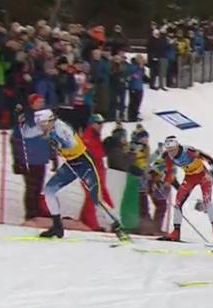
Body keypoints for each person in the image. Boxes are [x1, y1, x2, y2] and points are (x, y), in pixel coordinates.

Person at [32, 109, 129, 241]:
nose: (41, 127)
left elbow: (70, 144)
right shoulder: (52, 128)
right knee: (49, 190)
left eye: (42, 124)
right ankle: (57, 226)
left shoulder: (62, 129)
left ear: (50, 121)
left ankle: (118, 228)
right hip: (72, 163)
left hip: (83, 163)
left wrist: (53, 140)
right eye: (39, 124)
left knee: (96, 198)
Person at [160, 135, 213, 242]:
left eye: (173, 150)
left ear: (177, 146)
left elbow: (207, 158)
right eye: (169, 150)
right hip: (189, 177)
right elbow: (169, 172)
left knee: (207, 201)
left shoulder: (187, 151)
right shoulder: (167, 156)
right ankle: (176, 232)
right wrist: (166, 182)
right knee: (178, 203)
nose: (171, 153)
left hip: (203, 176)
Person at [11, 94, 53, 221]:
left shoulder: (45, 117)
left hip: (41, 157)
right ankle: (31, 212)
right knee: (31, 187)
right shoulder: (26, 117)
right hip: (29, 158)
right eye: (38, 101)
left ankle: (36, 209)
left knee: (38, 186)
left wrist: (52, 155)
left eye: (42, 101)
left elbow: (49, 137)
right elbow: (18, 138)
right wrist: (18, 159)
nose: (41, 104)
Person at [79, 113, 114, 230]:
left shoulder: (95, 135)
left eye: (102, 123)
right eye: (98, 123)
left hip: (97, 170)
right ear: (92, 124)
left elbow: (99, 153)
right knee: (91, 196)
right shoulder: (88, 137)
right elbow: (93, 154)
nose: (101, 126)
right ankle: (91, 223)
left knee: (96, 195)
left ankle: (85, 219)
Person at [126, 55, 146, 122]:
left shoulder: (141, 68)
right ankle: (131, 117)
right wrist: (133, 75)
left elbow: (142, 76)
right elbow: (130, 74)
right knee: (133, 102)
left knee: (138, 102)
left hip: (139, 87)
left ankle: (135, 115)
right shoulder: (132, 66)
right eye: (141, 59)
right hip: (133, 87)